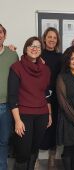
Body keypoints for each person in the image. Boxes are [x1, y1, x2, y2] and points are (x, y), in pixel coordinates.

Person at [8, 36, 52, 170]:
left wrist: (49, 114)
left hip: (42, 115)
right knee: (22, 152)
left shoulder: (45, 69)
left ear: (41, 50)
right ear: (26, 49)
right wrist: (17, 120)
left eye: (38, 46)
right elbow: (12, 96)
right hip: (23, 116)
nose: (34, 48)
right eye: (31, 46)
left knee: (34, 150)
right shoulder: (16, 67)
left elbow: (47, 94)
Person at [39, 27, 62, 167]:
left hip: (56, 98)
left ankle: (52, 159)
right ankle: (35, 158)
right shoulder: (38, 54)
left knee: (54, 128)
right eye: (49, 37)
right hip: (40, 96)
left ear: (57, 40)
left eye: (54, 37)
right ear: (45, 38)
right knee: (40, 126)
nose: (52, 39)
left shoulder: (61, 57)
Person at [0, 24, 18, 170]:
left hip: (6, 106)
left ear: (4, 35)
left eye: (0, 32)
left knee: (4, 140)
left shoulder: (12, 54)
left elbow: (21, 74)